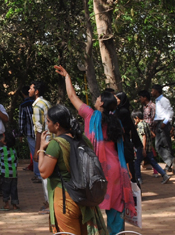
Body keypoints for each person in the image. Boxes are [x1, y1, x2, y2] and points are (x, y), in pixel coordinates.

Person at [55, 66, 135, 235]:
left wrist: (67, 76)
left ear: (101, 103)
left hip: (95, 170)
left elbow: (72, 96)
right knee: (115, 211)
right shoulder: (116, 122)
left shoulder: (91, 116)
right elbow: (121, 149)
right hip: (115, 172)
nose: (96, 98)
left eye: (98, 97)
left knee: (93, 207)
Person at [37, 104, 108, 235]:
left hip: (65, 199)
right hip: (85, 197)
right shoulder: (83, 140)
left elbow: (43, 172)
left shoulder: (56, 144)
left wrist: (41, 149)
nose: (47, 125)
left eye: (48, 121)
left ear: (57, 125)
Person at [31, 81, 53, 211]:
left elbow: (39, 130)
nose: (29, 90)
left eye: (31, 88)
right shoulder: (47, 103)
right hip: (51, 140)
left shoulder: (37, 106)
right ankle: (49, 201)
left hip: (45, 142)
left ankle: (48, 203)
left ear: (37, 91)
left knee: (44, 173)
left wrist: (37, 150)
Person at [115, 92, 143, 185]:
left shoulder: (123, 112)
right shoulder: (121, 110)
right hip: (124, 142)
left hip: (125, 143)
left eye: (117, 99)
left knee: (129, 167)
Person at [133, 111, 168, 182]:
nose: (134, 121)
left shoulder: (140, 125)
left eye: (134, 119)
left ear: (137, 118)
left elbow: (144, 137)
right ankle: (164, 175)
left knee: (137, 162)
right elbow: (151, 135)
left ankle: (139, 178)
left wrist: (143, 149)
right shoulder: (146, 123)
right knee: (153, 162)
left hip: (142, 148)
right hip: (149, 148)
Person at [151, 84, 175, 174]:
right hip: (159, 123)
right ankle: (170, 161)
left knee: (166, 144)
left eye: (153, 90)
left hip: (163, 123)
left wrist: (164, 123)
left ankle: (170, 163)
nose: (151, 92)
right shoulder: (157, 100)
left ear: (157, 91)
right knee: (159, 145)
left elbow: (170, 112)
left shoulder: (163, 100)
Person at [0, 131, 19, 211]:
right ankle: (15, 205)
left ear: (5, 141)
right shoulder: (14, 150)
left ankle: (6, 204)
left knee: (5, 189)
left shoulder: (2, 150)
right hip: (14, 174)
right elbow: (16, 161)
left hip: (5, 173)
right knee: (14, 189)